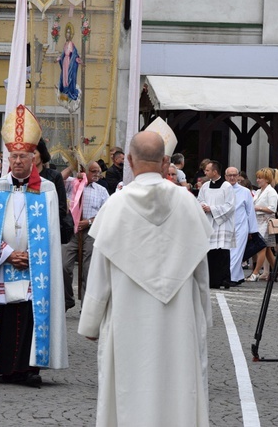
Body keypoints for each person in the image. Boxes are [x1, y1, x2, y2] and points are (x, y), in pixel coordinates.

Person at [78, 131, 213, 426]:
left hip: (128, 319)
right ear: (165, 161)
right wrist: (203, 315)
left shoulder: (115, 206)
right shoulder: (189, 204)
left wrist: (90, 322)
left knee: (127, 393)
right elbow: (202, 273)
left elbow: (99, 273)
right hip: (179, 320)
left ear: (128, 160)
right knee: (179, 391)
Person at [0, 104, 68, 387]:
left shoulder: (46, 190)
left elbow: (51, 235)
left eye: (23, 156)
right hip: (3, 266)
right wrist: (8, 253)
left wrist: (32, 255)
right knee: (5, 314)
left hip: (34, 266)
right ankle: (6, 367)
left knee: (31, 314)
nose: (17, 161)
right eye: (13, 156)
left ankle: (28, 369)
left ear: (34, 158)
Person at [63, 161, 109, 310]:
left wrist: (89, 221)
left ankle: (87, 306)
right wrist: (73, 167)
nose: (97, 174)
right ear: (85, 171)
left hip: (90, 232)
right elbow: (58, 178)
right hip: (71, 232)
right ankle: (67, 299)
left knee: (88, 269)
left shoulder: (101, 190)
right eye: (93, 171)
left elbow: (106, 213)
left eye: (99, 171)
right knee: (64, 266)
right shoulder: (72, 183)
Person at [197, 160, 236, 289]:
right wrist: (203, 207)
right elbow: (200, 200)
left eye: (207, 170)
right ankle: (212, 280)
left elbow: (230, 206)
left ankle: (224, 280)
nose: (205, 172)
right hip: (209, 221)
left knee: (222, 251)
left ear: (215, 171)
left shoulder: (226, 187)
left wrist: (212, 209)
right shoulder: (205, 186)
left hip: (222, 223)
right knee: (210, 251)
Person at [35, 138, 74, 245]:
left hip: (49, 229)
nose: (30, 157)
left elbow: (61, 207)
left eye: (33, 153)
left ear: (41, 155)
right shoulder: (22, 178)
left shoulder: (54, 176)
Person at [225, 167, 258, 285]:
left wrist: (252, 230)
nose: (232, 178)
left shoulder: (245, 191)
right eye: (230, 175)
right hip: (225, 225)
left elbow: (250, 211)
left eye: (234, 175)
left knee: (237, 252)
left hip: (241, 225)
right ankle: (238, 276)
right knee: (228, 252)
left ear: (238, 176)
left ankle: (231, 277)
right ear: (225, 176)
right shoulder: (221, 189)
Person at [247, 168, 278, 281]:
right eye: (258, 177)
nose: (258, 180)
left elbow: (272, 208)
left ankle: (255, 273)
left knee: (261, 248)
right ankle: (276, 271)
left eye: (260, 178)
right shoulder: (259, 191)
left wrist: (257, 208)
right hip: (258, 221)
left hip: (266, 222)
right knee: (267, 249)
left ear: (267, 179)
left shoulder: (271, 192)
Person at [57, 22, 82, 101]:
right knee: (64, 77)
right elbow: (63, 55)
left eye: (69, 33)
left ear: (71, 34)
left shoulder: (71, 44)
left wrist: (78, 60)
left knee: (68, 77)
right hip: (65, 62)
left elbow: (75, 54)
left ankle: (68, 92)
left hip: (69, 62)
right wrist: (58, 59)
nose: (67, 34)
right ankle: (65, 92)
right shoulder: (65, 44)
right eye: (66, 32)